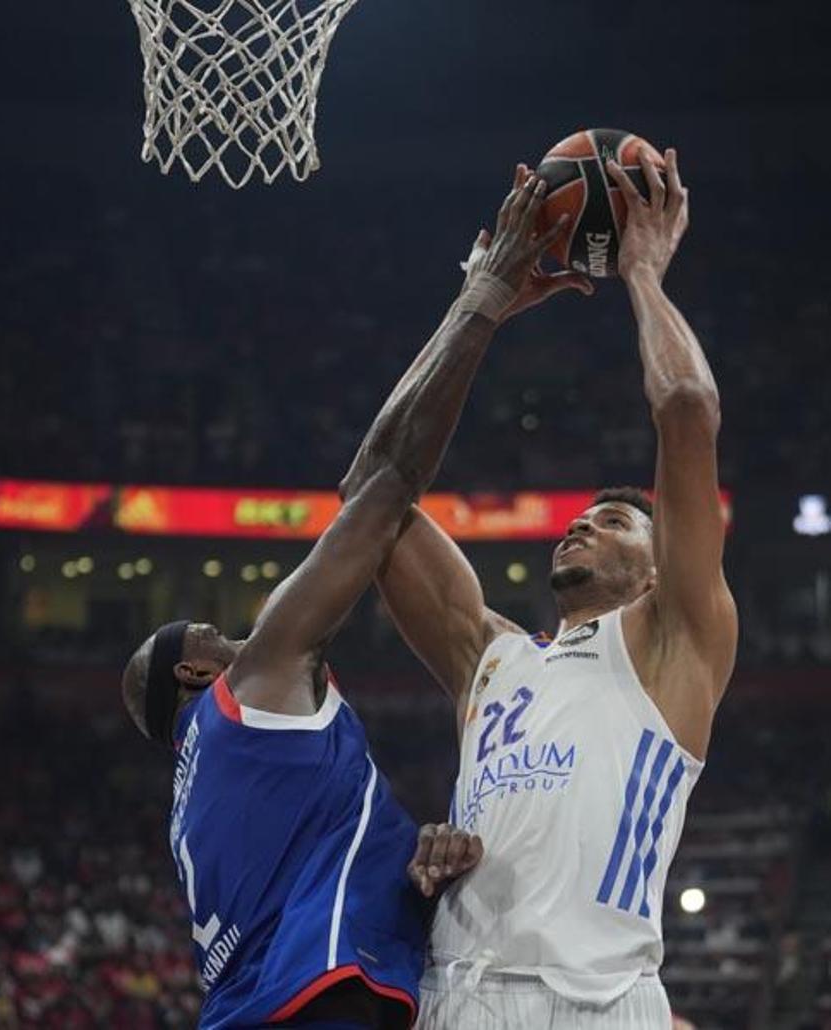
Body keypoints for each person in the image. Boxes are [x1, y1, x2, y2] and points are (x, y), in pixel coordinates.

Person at [120, 171, 590, 1029]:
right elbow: (384, 490)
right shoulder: (249, 691)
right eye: (218, 633)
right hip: (312, 1007)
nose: (243, 635)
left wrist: (412, 863)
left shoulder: (205, 789)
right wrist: (481, 301)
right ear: (196, 668)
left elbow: (365, 483)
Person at [374, 149, 738, 1028]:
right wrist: (480, 306)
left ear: (659, 568)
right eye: (580, 516)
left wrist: (642, 272)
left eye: (614, 522)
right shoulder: (489, 657)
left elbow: (685, 406)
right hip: (456, 993)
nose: (581, 523)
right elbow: (374, 496)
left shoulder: (675, 640)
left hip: (601, 1001)